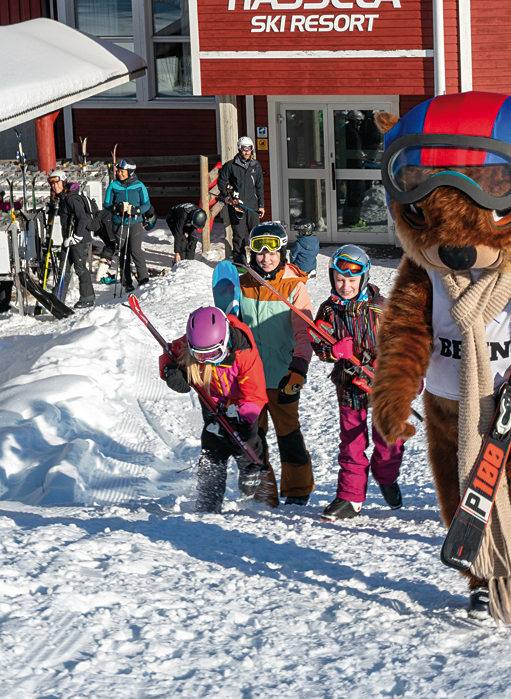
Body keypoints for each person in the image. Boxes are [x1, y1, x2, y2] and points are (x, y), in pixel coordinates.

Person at [313, 245, 401, 521]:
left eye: (352, 280)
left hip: (384, 383)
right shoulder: (329, 310)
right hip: (350, 384)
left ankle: (386, 477)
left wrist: (406, 377)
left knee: (388, 440)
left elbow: (405, 346)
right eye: (339, 280)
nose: (345, 286)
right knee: (352, 442)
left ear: (363, 278)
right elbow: (319, 341)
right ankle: (350, 498)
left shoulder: (381, 309)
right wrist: (332, 350)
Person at [161, 307, 274, 512]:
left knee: (247, 441)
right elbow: (170, 353)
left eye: (214, 353)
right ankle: (208, 501)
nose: (208, 360)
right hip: (212, 404)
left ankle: (253, 480)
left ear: (225, 341)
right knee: (212, 451)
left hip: (241, 406)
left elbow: (254, 393)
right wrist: (170, 371)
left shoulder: (244, 351)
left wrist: (244, 416)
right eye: (201, 356)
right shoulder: (190, 342)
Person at [238, 221, 316, 505]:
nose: (266, 258)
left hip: (283, 377)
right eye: (259, 251)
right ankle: (264, 490)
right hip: (248, 380)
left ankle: (297, 490)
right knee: (253, 437)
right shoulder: (241, 282)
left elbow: (304, 332)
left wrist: (298, 368)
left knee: (288, 434)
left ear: (282, 252)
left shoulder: (294, 287)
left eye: (272, 251)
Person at [47, 174, 96, 309]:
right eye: (52, 184)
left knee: (80, 268)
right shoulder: (63, 198)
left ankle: (88, 298)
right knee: (64, 269)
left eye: (57, 183)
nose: (55, 186)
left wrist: (77, 236)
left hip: (79, 240)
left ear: (64, 182)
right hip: (68, 239)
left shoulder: (72, 198)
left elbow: (83, 218)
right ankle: (57, 299)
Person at [104, 161, 153, 291]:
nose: (119, 174)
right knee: (124, 253)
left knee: (136, 251)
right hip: (119, 223)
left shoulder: (139, 185)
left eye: (122, 172)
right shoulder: (114, 185)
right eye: (118, 171)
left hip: (135, 223)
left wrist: (137, 210)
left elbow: (147, 204)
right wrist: (116, 207)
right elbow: (106, 204)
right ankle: (127, 283)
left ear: (130, 173)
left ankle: (143, 279)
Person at [216, 137, 265, 266]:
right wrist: (226, 196)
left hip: (253, 206)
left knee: (255, 235)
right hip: (237, 206)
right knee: (238, 236)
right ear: (239, 149)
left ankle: (256, 263)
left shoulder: (256, 165)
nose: (247, 152)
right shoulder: (230, 165)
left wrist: (261, 205)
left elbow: (259, 186)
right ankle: (240, 264)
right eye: (244, 149)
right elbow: (221, 181)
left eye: (249, 149)